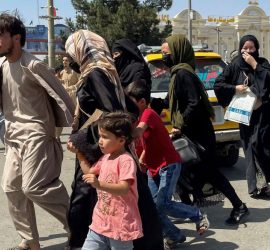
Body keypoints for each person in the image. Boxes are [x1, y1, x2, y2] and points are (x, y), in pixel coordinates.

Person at [0, 13, 74, 250]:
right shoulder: (2, 65)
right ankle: (29, 241)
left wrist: (76, 130)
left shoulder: (34, 65)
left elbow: (64, 98)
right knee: (11, 187)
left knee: (34, 187)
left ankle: (79, 225)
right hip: (13, 136)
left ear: (15, 38)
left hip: (37, 135)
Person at [65, 29, 163, 250]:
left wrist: (82, 137)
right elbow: (128, 107)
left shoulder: (96, 73)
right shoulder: (106, 71)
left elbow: (112, 111)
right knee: (128, 202)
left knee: (86, 200)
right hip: (108, 145)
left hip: (102, 149)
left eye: (72, 51)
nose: (71, 56)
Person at [151, 34, 249, 226]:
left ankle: (237, 206)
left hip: (199, 134)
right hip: (195, 132)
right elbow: (175, 102)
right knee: (188, 173)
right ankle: (194, 210)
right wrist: (153, 104)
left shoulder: (182, 74)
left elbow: (193, 104)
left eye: (166, 53)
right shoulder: (179, 73)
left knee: (205, 173)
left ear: (177, 52)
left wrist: (179, 126)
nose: (164, 57)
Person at [126, 80, 209, 248]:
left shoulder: (148, 113)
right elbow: (145, 145)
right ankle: (174, 235)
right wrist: (141, 158)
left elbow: (139, 132)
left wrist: (117, 129)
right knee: (154, 208)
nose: (128, 105)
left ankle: (197, 214)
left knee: (162, 204)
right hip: (152, 169)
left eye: (131, 102)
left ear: (142, 101)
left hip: (168, 164)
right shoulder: (135, 118)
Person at [67, 112, 143, 250]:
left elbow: (124, 187)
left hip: (121, 226)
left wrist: (99, 184)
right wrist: (79, 154)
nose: (100, 141)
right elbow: (89, 172)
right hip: (99, 223)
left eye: (105, 137)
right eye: (100, 136)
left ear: (121, 140)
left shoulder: (125, 160)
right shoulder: (106, 157)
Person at [214, 35, 270, 198]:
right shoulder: (234, 66)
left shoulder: (263, 63)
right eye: (244, 48)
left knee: (263, 147)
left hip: (264, 116)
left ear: (257, 49)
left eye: (251, 48)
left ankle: (266, 183)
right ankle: (256, 187)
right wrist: (234, 88)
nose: (247, 51)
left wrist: (255, 65)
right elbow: (219, 84)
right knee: (250, 148)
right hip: (246, 116)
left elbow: (267, 82)